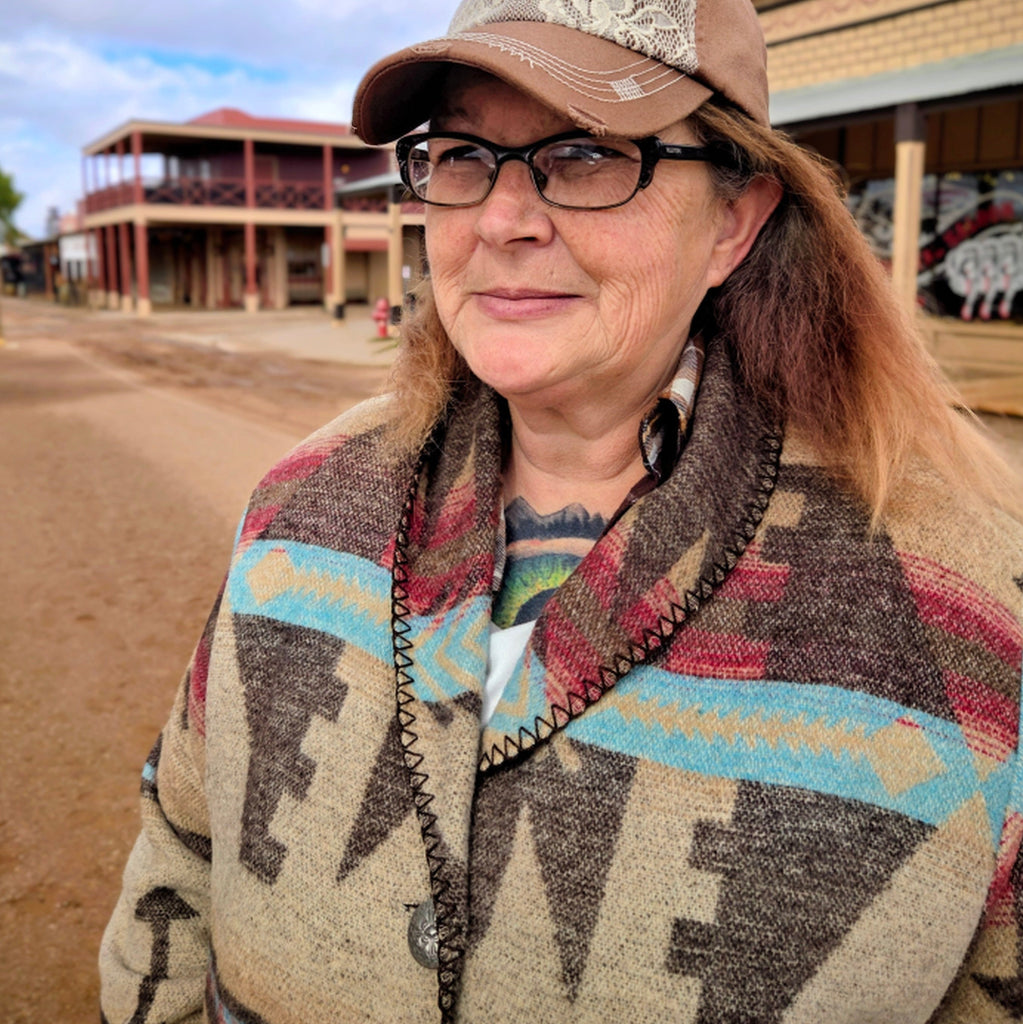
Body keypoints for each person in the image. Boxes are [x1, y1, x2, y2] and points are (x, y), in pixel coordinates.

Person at [99, 0, 1023, 1021]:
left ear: (734, 220)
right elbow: (178, 851)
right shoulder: (300, 501)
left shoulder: (961, 610)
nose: (500, 218)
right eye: (460, 153)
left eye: (585, 153)